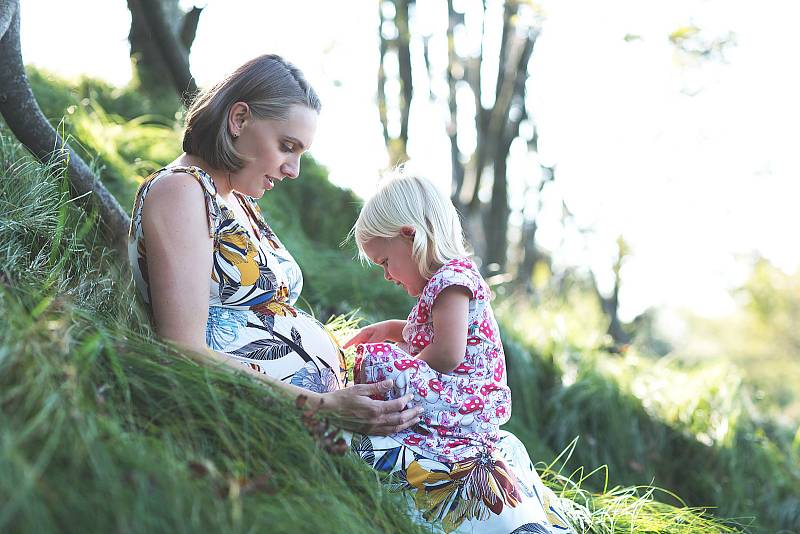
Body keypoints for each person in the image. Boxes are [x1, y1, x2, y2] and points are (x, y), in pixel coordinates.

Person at [128, 54, 422, 437]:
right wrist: (324, 407)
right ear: (239, 120)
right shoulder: (181, 190)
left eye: (300, 154)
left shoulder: (236, 199)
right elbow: (183, 349)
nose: (293, 170)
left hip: (318, 415)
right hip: (276, 421)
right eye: (287, 146)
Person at [344, 174, 574, 533]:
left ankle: (396, 405)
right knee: (382, 354)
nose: (387, 275)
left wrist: (406, 369)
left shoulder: (452, 281)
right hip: (463, 398)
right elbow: (430, 337)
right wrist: (392, 330)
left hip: (468, 400)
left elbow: (448, 353)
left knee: (378, 361)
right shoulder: (445, 281)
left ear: (411, 236)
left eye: (386, 261)